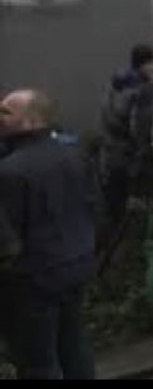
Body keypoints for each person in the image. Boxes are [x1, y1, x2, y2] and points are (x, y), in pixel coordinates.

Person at [0, 90, 96, 380]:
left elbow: (6, 238)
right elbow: (95, 207)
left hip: (32, 278)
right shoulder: (76, 156)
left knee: (37, 360)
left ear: (31, 121)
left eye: (6, 112)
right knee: (74, 345)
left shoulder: (10, 171)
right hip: (76, 265)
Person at [100, 44, 153, 232]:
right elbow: (140, 130)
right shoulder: (144, 90)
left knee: (114, 207)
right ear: (143, 64)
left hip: (111, 152)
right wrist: (147, 155)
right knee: (136, 213)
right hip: (130, 156)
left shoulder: (116, 85)